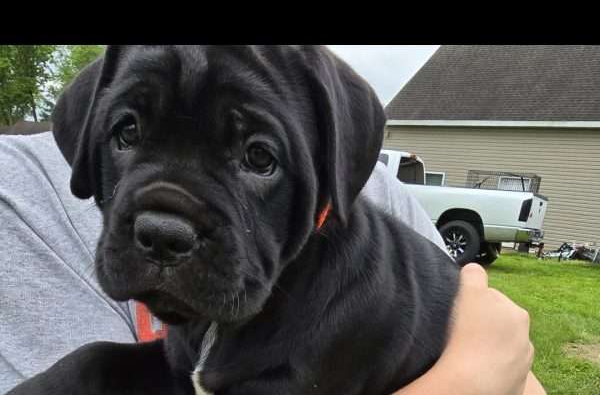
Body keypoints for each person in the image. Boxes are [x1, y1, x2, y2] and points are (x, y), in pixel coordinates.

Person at [0, 131, 544, 394]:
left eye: (258, 158)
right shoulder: (19, 193)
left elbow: (512, 362)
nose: (168, 217)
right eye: (129, 135)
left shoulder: (369, 192)